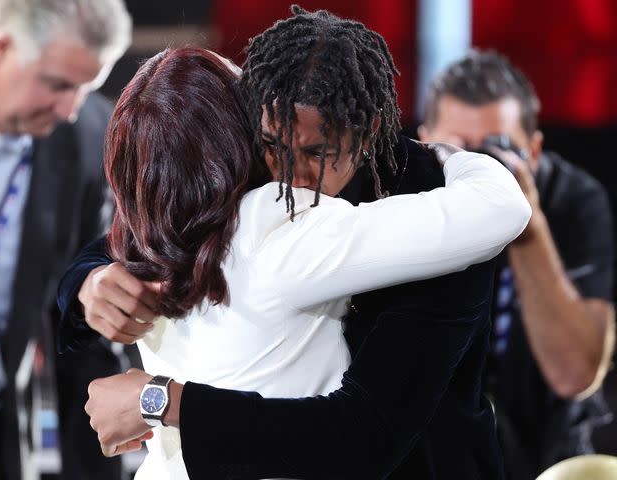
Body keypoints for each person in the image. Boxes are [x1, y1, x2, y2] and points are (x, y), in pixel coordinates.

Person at [59, 7, 528, 479]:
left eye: (316, 154)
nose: (292, 176)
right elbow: (152, 225)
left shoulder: (433, 210)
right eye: (271, 146)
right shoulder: (255, 187)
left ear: (368, 134)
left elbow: (364, 434)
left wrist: (159, 398)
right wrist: (87, 282)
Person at [417, 50, 616, 479]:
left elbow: (576, 374)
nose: (474, 169)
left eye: (495, 150)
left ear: (535, 152)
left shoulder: (575, 202)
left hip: (550, 441)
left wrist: (526, 226)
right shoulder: (399, 193)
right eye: (454, 150)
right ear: (422, 141)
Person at [0, 0, 131, 478]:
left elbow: (78, 301)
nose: (70, 109)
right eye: (59, 84)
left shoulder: (88, 138)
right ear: (0, 47)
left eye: (86, 88)